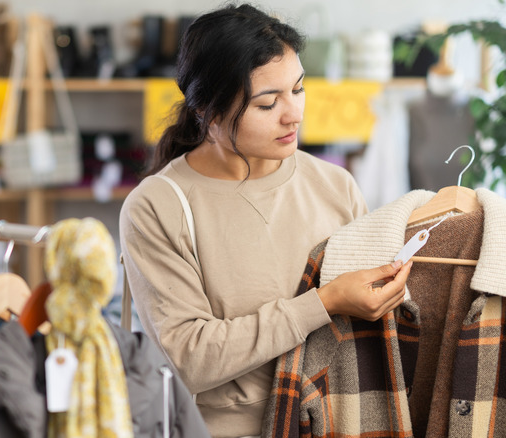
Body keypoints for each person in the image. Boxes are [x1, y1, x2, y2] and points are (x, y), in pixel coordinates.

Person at [119, 4, 412, 437]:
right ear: (208, 112)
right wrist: (324, 303)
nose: (293, 114)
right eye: (268, 102)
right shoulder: (158, 208)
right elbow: (190, 358)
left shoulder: (335, 185)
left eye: (298, 89)